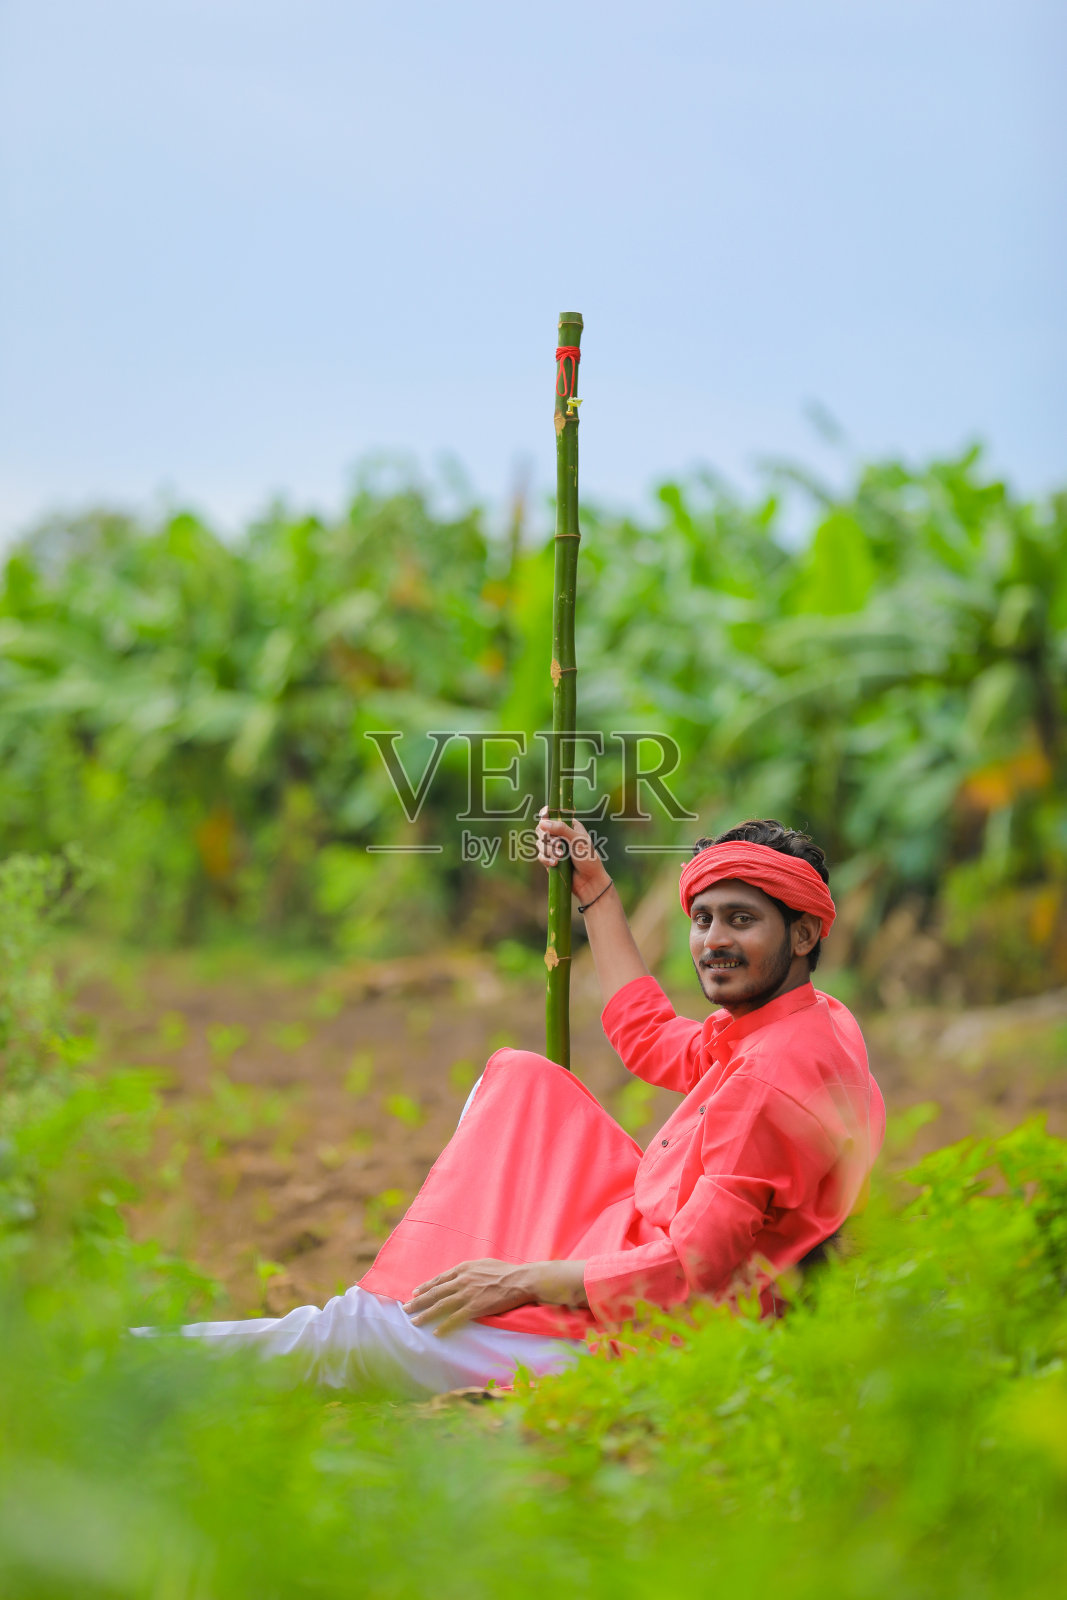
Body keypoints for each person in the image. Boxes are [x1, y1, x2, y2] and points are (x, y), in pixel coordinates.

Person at [151, 817, 884, 1396]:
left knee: (351, 1339)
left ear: (805, 932)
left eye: (740, 921)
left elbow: (694, 1269)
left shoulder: (769, 1080)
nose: (713, 942)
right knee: (524, 1081)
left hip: (656, 1332)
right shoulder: (807, 1021)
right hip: (641, 1250)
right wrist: (596, 893)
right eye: (704, 920)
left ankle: (124, 1371)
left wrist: (523, 1277)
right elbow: (655, 1040)